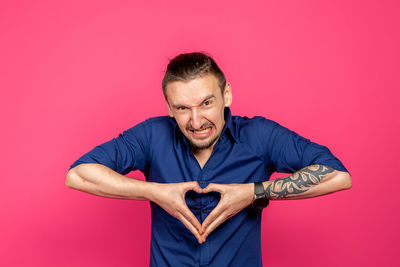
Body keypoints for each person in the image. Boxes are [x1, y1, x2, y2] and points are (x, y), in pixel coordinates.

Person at [66, 52, 352, 267]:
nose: (196, 120)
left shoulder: (259, 135)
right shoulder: (152, 135)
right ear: (169, 107)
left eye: (206, 103)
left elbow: (337, 175)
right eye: (182, 108)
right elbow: (78, 174)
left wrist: (252, 192)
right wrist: (154, 192)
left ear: (226, 95)